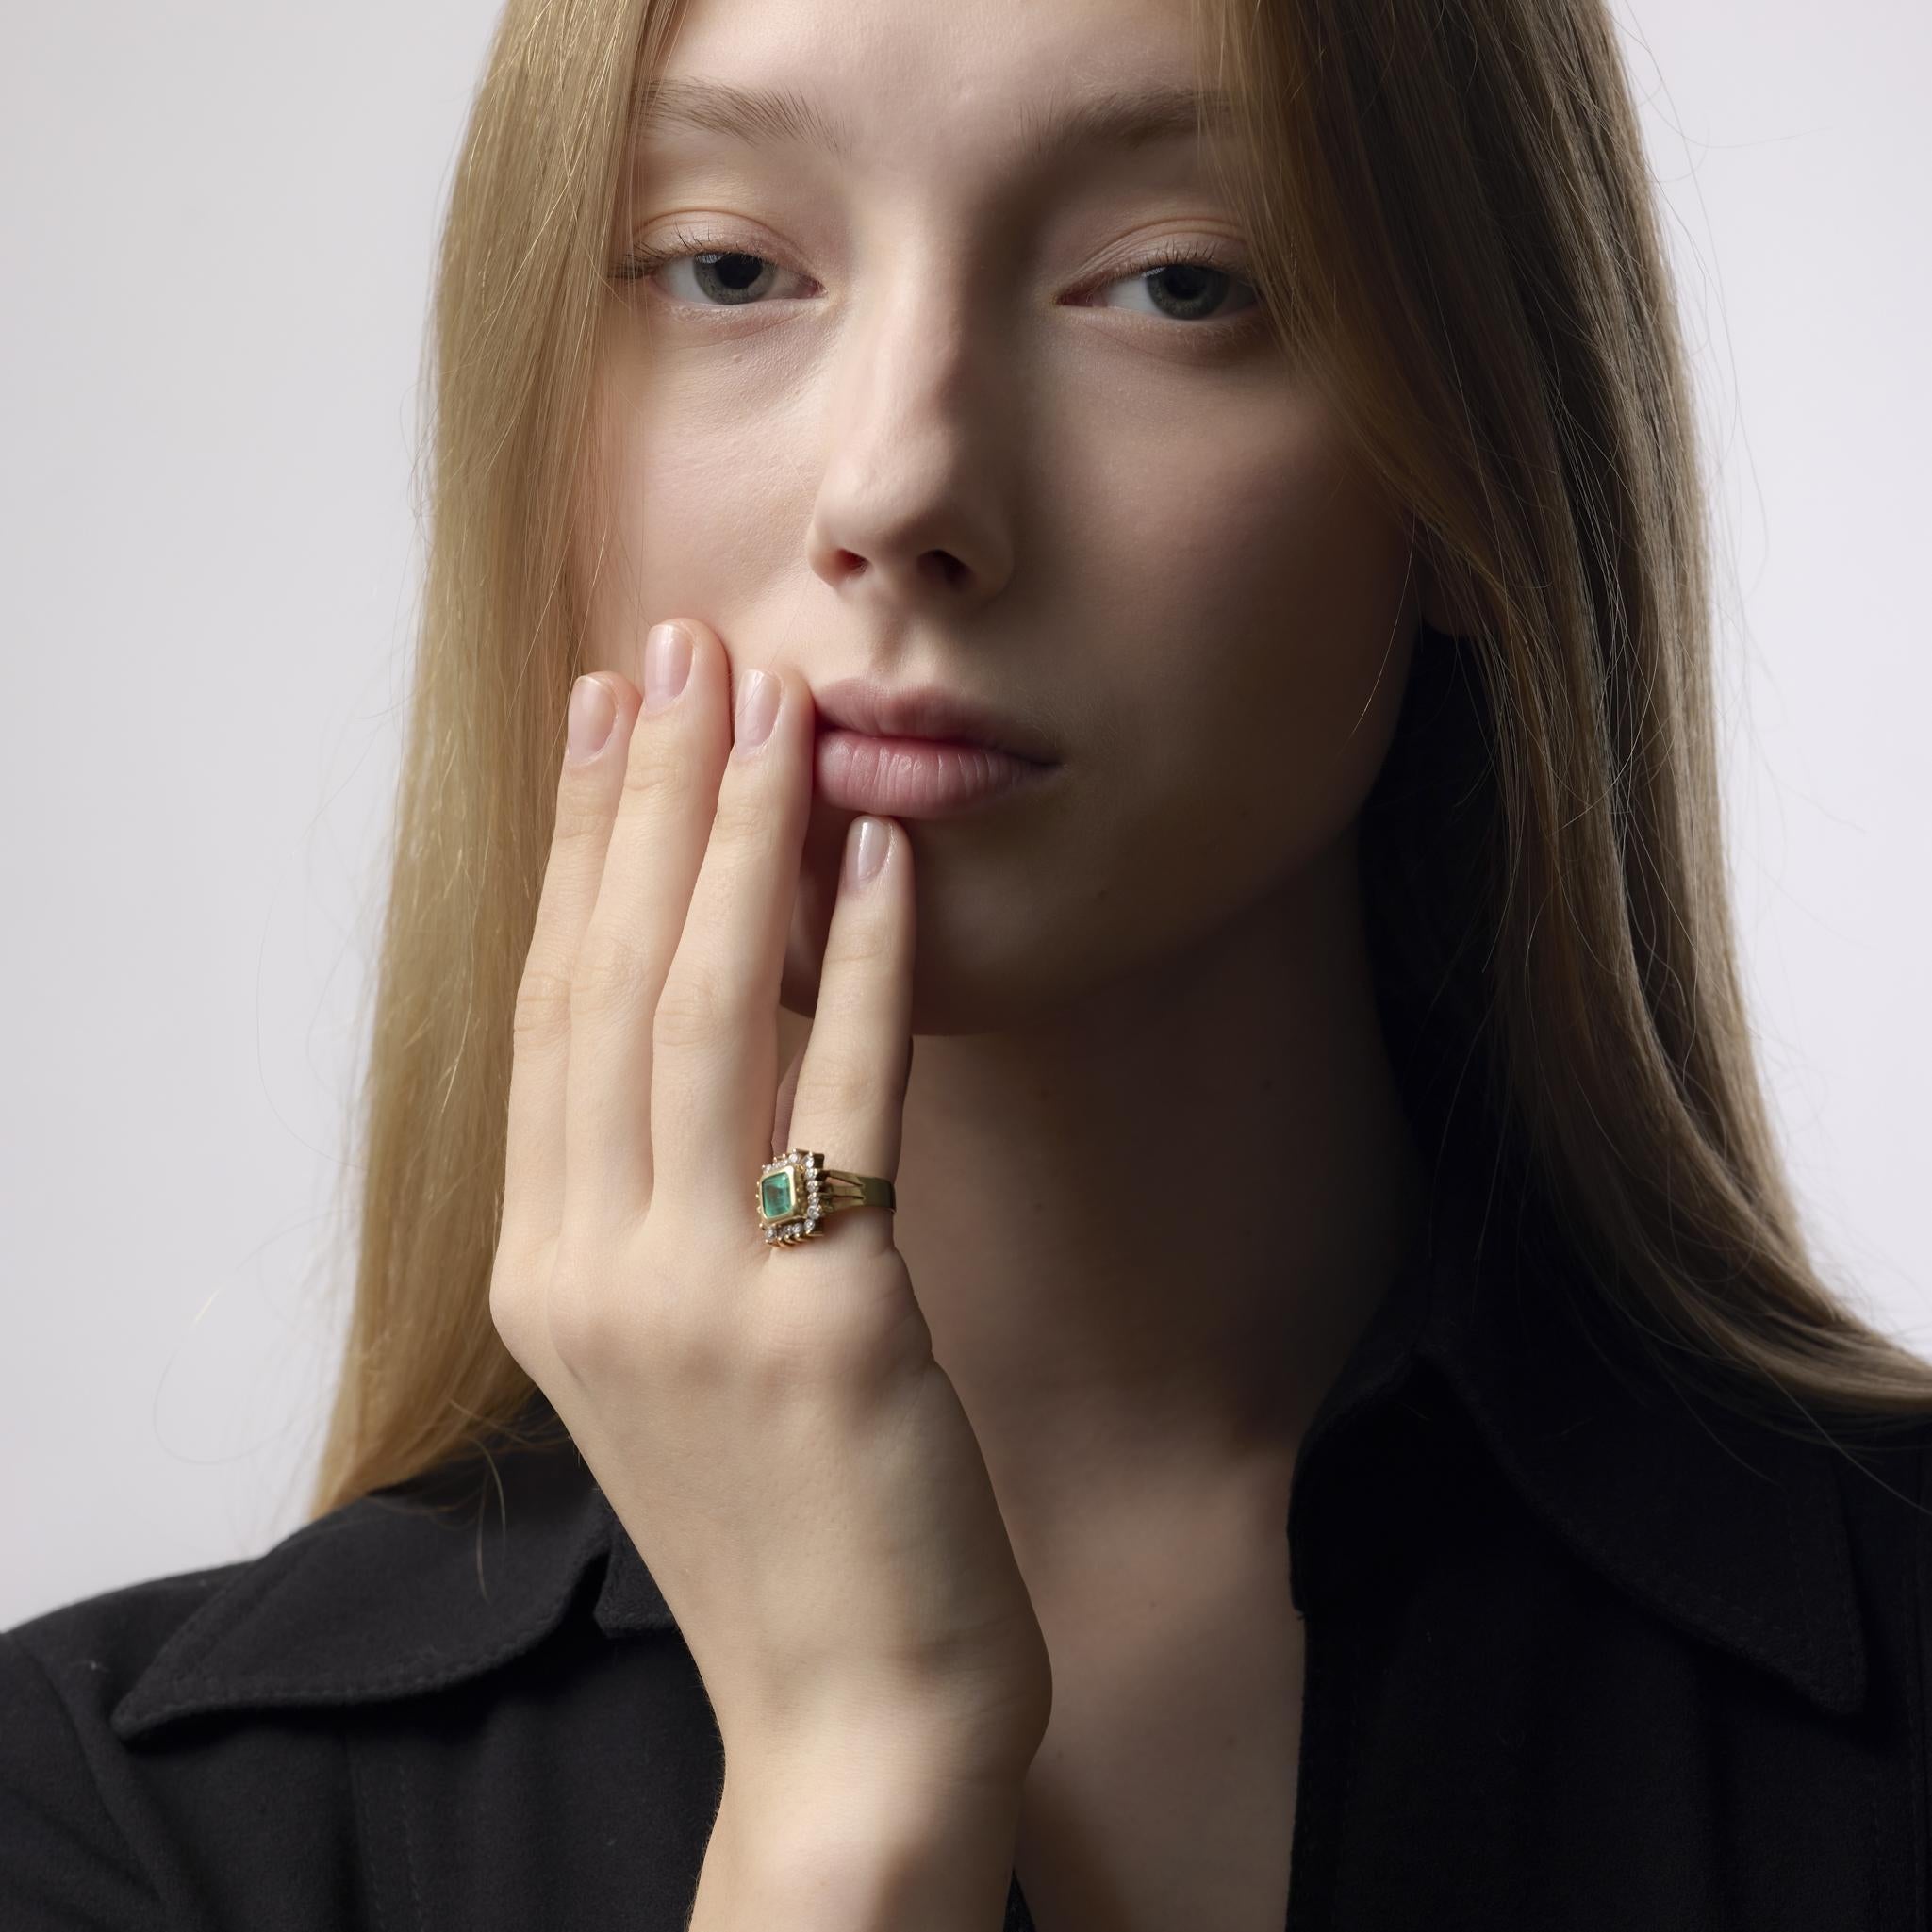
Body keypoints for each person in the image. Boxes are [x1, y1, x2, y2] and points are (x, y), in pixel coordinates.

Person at [6, 0, 1929, 1924]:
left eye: (1177, 283)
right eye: (730, 267)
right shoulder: (112, 1829)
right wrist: (845, 1800)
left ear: (1475, 454)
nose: (900, 486)